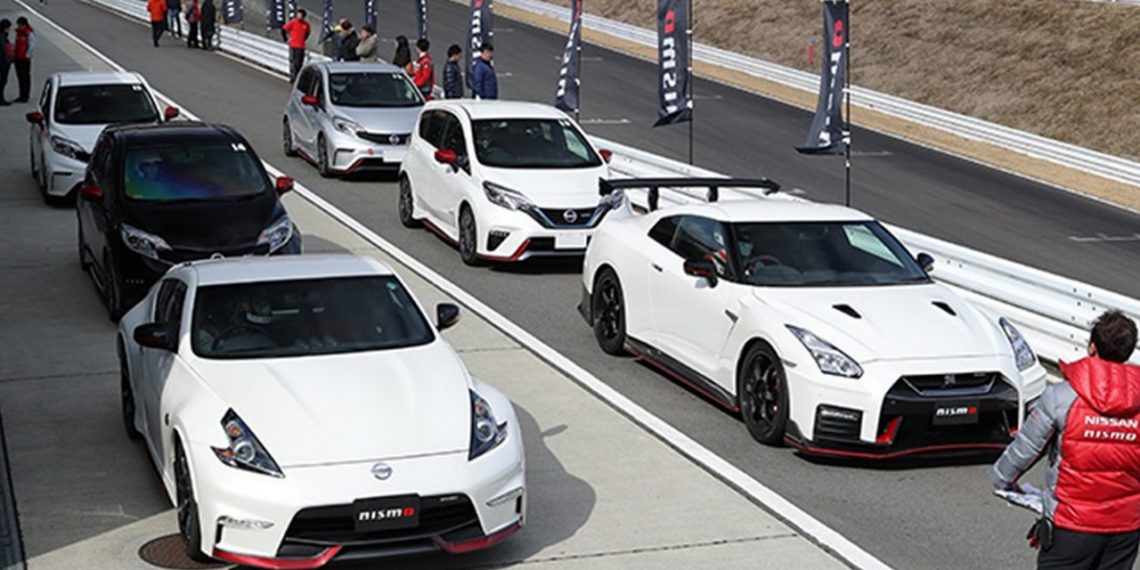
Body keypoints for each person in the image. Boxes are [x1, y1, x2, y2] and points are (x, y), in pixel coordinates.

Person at [990, 310, 1140, 570]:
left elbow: (1027, 448)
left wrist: (1002, 479)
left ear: (1092, 347)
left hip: (1071, 525)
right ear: (1128, 352)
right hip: (1125, 528)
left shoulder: (1061, 396)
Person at [281, 9, 310, 83]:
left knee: (299, 63)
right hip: (293, 45)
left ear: (303, 16)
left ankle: (297, 77)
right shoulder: (293, 22)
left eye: (300, 15)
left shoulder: (306, 25)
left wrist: (303, 39)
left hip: (301, 46)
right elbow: (283, 29)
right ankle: (293, 77)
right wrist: (286, 39)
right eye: (298, 15)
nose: (298, 16)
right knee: (292, 62)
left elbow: (307, 33)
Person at [12, 17, 33, 103]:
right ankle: (21, 94)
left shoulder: (29, 34)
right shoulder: (18, 33)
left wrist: (27, 56)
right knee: (20, 77)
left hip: (24, 59)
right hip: (18, 57)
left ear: (24, 25)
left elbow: (31, 46)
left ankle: (25, 95)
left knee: (25, 77)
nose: (19, 26)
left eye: (20, 25)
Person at [0, 19, 11, 106]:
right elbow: (4, 49)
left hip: (4, 61)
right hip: (3, 61)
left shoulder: (3, 36)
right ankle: (1, 98)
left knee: (3, 80)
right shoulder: (2, 37)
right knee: (2, 80)